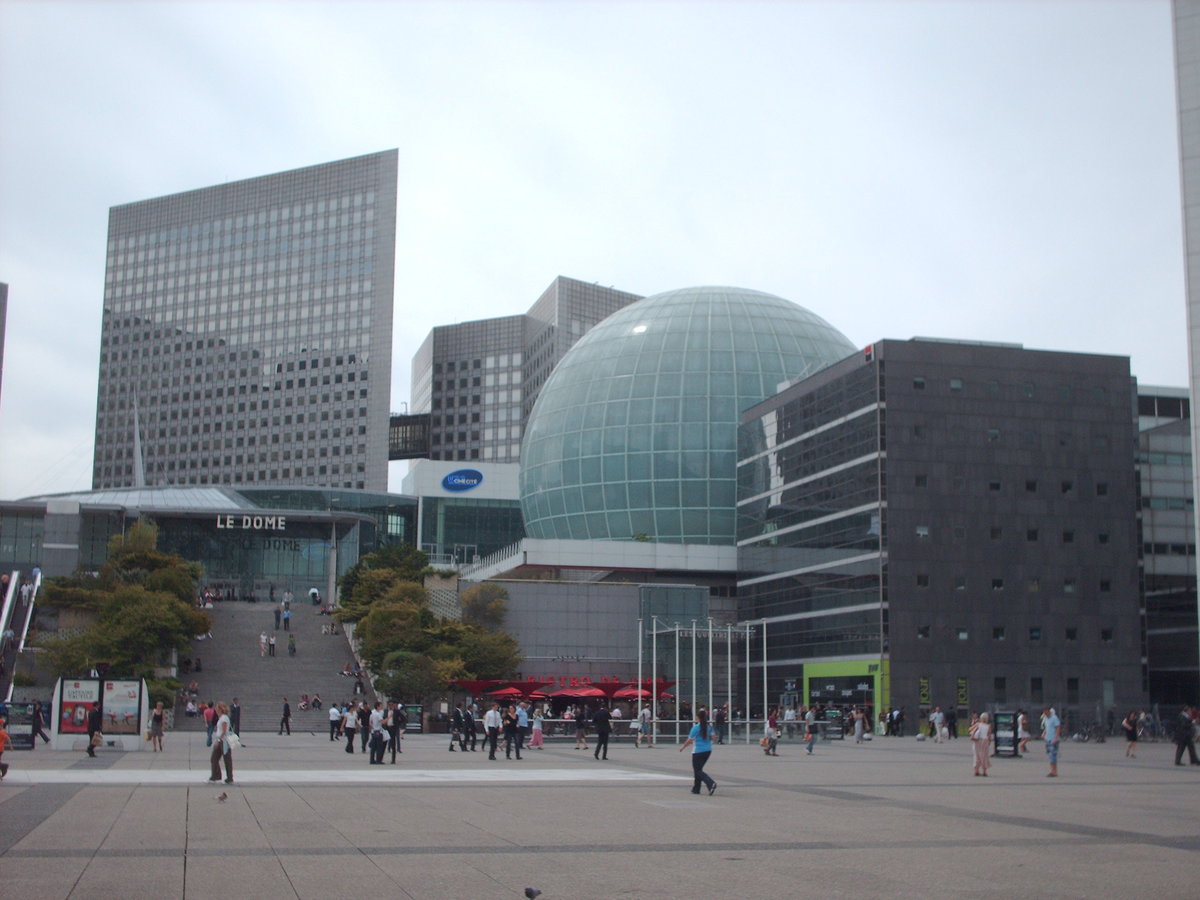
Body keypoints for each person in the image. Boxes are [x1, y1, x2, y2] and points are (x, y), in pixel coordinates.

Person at [680, 708, 717, 795]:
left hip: (698, 751)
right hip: (708, 750)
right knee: (698, 769)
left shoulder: (696, 727)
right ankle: (696, 788)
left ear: (698, 717)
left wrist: (682, 747)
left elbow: (689, 740)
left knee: (697, 771)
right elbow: (714, 737)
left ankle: (710, 783)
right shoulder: (709, 727)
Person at [208, 701, 234, 785]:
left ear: (220, 709)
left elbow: (224, 731)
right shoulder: (221, 718)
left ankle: (229, 778)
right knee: (214, 758)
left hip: (224, 741)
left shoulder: (224, 718)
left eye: (217, 708)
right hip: (220, 740)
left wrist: (218, 741)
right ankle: (216, 775)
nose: (215, 709)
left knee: (227, 759)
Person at [971, 712, 992, 776]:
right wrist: (989, 743)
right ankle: (984, 771)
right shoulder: (988, 726)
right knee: (984, 756)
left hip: (977, 741)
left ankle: (976, 770)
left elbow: (972, 731)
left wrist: (972, 737)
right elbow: (989, 735)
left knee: (977, 755)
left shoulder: (978, 724)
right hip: (985, 741)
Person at [1043, 706, 1062, 777]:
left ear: (1049, 711)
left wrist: (1056, 738)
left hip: (1053, 739)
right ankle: (1052, 770)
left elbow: (1058, 727)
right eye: (1044, 712)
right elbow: (1047, 728)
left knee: (1052, 755)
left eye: (1046, 712)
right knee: (1049, 755)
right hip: (1048, 739)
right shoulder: (1046, 719)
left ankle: (1054, 771)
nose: (1045, 714)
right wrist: (1044, 734)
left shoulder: (1054, 718)